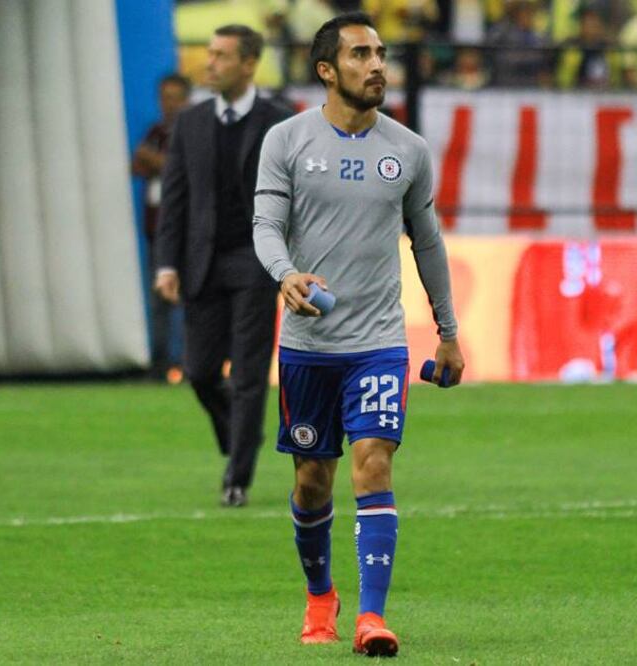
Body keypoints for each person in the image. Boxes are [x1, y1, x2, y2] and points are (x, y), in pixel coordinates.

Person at [252, 12, 464, 657]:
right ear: (327, 70)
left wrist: (448, 332)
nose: (377, 65)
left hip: (378, 341)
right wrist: (286, 275)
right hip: (308, 347)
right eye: (360, 55)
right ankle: (321, 597)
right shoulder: (286, 141)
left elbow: (427, 243)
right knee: (311, 481)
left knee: (373, 463)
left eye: (380, 53)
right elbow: (265, 225)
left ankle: (373, 618)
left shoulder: (408, 150)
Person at [154, 25, 293, 508]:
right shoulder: (190, 123)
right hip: (202, 263)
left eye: (220, 56)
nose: (208, 63)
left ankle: (237, 478)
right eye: (208, 54)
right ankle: (241, 432)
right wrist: (166, 263)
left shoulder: (279, 121)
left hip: (256, 260)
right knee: (199, 371)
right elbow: (175, 199)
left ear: (249, 64)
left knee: (252, 371)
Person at [132, 74, 190, 383]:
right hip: (157, 228)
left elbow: (178, 169)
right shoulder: (156, 132)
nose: (169, 103)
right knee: (158, 300)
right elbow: (136, 165)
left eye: (174, 97)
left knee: (186, 298)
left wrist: (155, 161)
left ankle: (187, 362)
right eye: (164, 97)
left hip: (186, 231)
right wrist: (157, 162)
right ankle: (160, 364)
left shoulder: (193, 132)